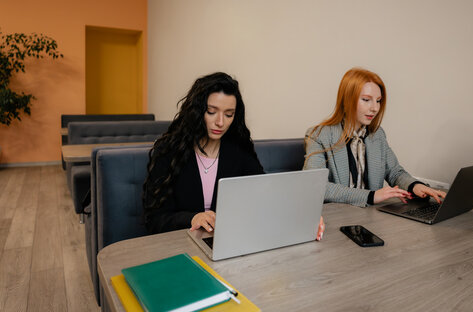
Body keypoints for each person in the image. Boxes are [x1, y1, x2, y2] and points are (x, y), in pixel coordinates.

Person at [143, 72, 325, 239]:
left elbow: (264, 197)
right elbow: (154, 219)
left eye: (229, 114)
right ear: (197, 111)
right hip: (179, 246)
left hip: (227, 243)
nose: (220, 122)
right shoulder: (170, 151)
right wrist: (192, 218)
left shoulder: (239, 151)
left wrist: (303, 217)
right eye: (211, 112)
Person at [304, 67, 446, 207]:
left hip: (370, 217)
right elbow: (315, 186)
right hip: (337, 219)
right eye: (366, 100)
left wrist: (415, 186)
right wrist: (371, 196)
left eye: (378, 101)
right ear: (347, 100)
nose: (375, 108)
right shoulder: (318, 135)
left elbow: (394, 172)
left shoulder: (377, 135)